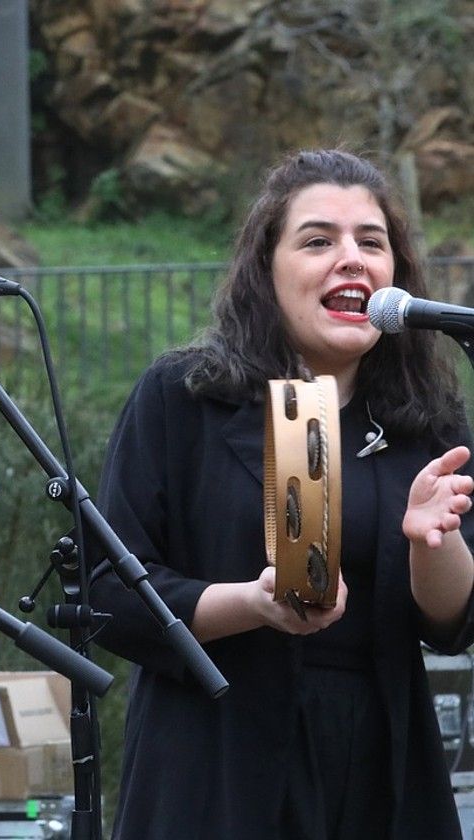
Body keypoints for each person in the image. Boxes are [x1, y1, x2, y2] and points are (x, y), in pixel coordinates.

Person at [91, 149, 474, 838]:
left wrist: (431, 544)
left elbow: (452, 623)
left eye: (372, 243)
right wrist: (252, 605)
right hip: (216, 762)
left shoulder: (428, 419)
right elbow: (108, 592)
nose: (351, 259)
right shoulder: (185, 398)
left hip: (377, 765)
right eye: (318, 240)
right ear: (266, 271)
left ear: (397, 277)